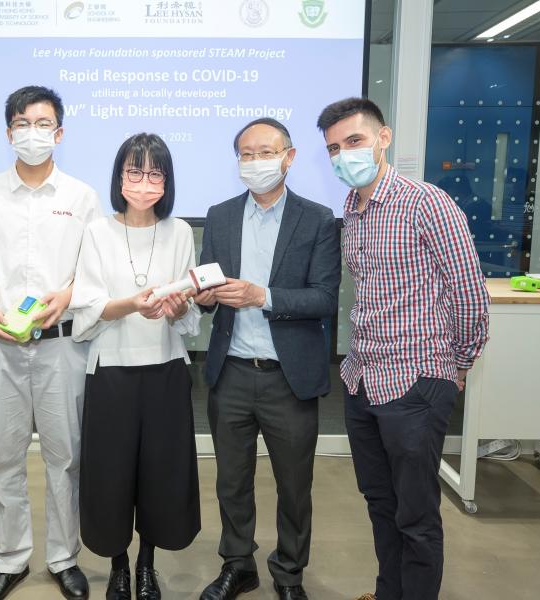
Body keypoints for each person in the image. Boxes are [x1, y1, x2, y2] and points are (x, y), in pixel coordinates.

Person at [316, 97, 490, 600]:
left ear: (382, 138)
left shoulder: (427, 203)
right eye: (333, 148)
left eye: (354, 141)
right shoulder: (351, 210)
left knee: (415, 514)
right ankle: (388, 591)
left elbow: (470, 294)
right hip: (362, 378)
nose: (344, 154)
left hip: (416, 380)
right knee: (380, 502)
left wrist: (455, 367)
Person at [0, 85, 100, 600]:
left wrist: (68, 295)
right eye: (22, 123)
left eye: (43, 123)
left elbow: (94, 273)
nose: (32, 132)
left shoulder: (81, 196)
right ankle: (10, 559)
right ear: (9, 130)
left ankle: (62, 556)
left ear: (59, 132)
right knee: (2, 458)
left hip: (62, 346)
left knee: (66, 458)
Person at [195, 118, 341, 600]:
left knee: (294, 486)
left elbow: (324, 298)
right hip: (230, 371)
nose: (255, 162)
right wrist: (205, 298)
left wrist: (263, 295)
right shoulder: (218, 216)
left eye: (265, 152)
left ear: (290, 157)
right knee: (231, 481)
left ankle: (289, 574)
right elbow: (208, 286)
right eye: (246, 154)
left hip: (288, 377)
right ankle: (238, 565)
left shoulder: (318, 219)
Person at [70, 133, 202, 600]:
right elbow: (85, 309)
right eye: (134, 171)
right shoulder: (96, 232)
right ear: (119, 177)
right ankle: (118, 565)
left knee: (160, 473)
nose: (143, 182)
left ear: (166, 181)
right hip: (112, 372)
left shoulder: (181, 231)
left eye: (154, 173)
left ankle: (147, 563)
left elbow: (190, 312)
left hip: (165, 369)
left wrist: (177, 309)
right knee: (111, 474)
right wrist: (129, 304)